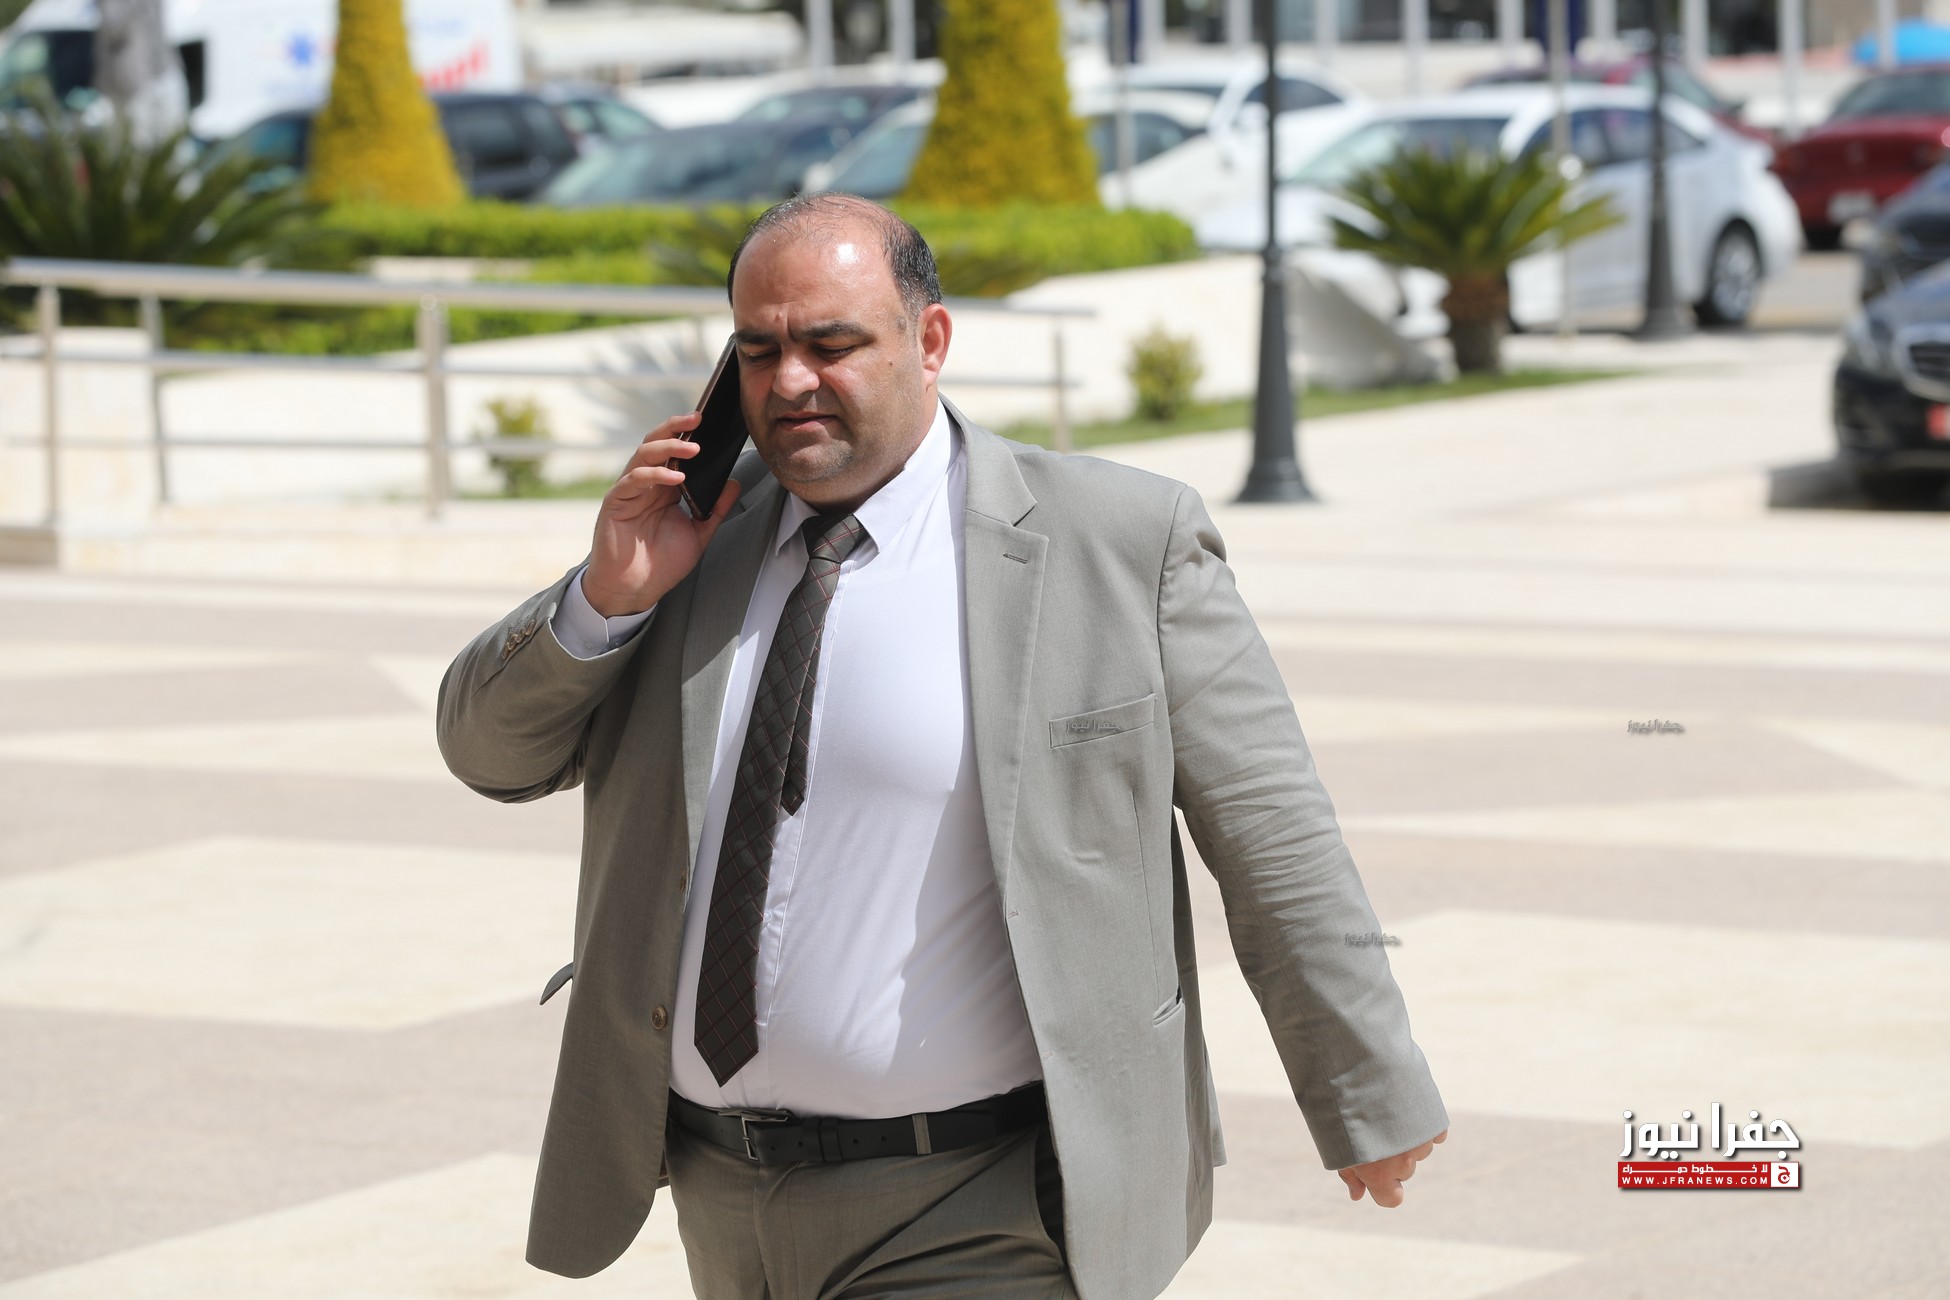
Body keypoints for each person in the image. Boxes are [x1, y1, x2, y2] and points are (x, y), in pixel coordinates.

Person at [437, 194, 1447, 1300]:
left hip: (980, 1203)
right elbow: (490, 754)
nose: (789, 382)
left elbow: (1272, 830)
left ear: (929, 341)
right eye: (759, 349)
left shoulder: (1117, 543)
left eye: (831, 344)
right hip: (718, 1197)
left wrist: (1365, 1088)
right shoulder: (690, 539)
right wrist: (609, 594)